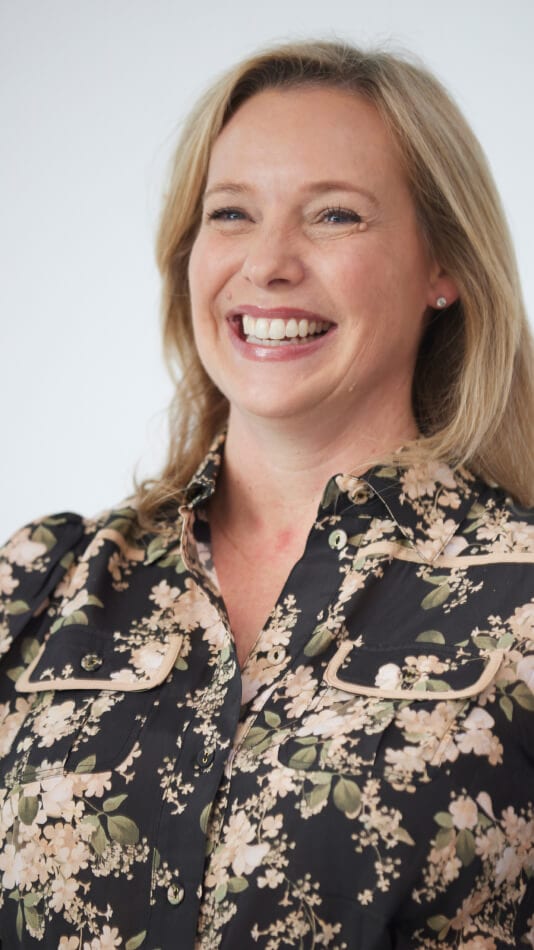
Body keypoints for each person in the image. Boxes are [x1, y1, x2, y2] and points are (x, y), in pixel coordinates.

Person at [0, 38, 533, 950]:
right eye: (233, 213)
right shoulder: (41, 584)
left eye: (335, 216)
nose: (270, 263)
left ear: (443, 266)